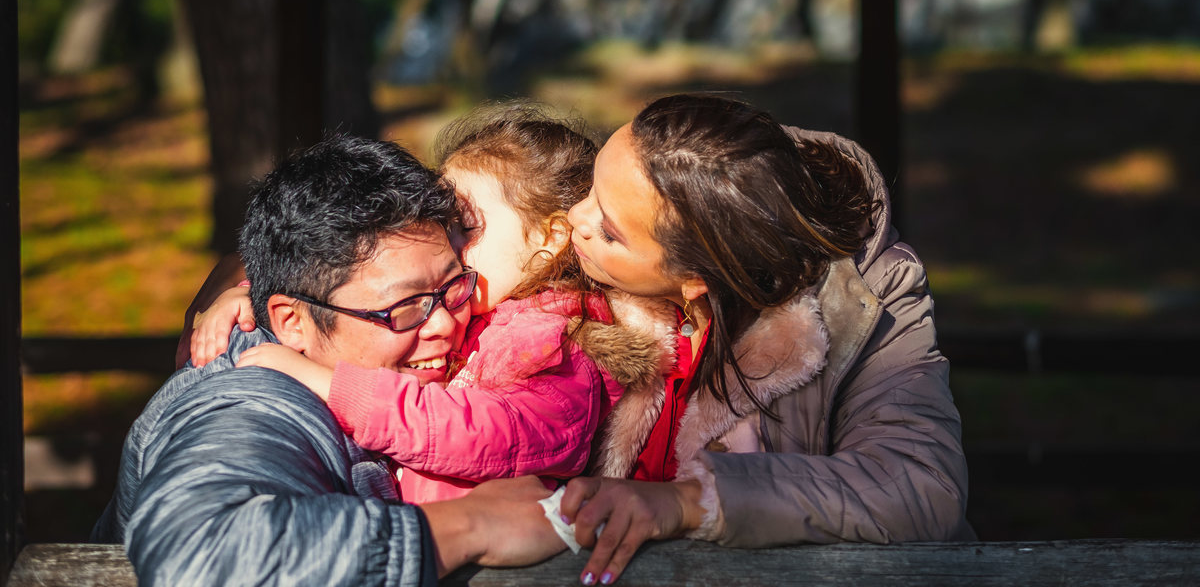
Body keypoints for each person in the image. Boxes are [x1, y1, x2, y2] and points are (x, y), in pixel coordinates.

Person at [92, 135, 565, 586]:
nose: (443, 324)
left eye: (452, 286)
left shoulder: (347, 334)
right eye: (402, 308)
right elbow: (200, 554)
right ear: (291, 323)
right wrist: (468, 526)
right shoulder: (251, 397)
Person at [557, 94, 972, 585]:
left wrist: (692, 502)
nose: (571, 218)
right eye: (591, 189)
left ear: (697, 277)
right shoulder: (575, 247)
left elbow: (920, 488)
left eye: (607, 230)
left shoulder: (870, 291)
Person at [185, 104, 661, 503]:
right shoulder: (482, 313)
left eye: (463, 227)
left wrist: (332, 387)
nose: (443, 242)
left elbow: (494, 435)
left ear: (550, 237)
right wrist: (245, 290)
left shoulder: (558, 341)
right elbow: (340, 264)